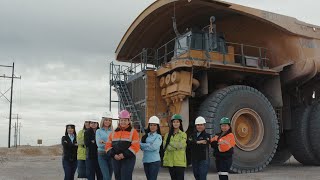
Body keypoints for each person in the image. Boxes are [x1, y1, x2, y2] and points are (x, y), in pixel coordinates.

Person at [105, 110, 140, 180]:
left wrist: (123, 155)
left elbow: (135, 146)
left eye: (125, 120)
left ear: (129, 121)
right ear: (119, 121)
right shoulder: (114, 132)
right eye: (121, 120)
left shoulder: (133, 132)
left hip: (128, 159)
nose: (123, 122)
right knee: (118, 177)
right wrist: (114, 155)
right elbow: (107, 146)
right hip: (115, 159)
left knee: (126, 177)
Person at [163, 114, 187, 180]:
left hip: (180, 162)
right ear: (172, 123)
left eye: (177, 122)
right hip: (170, 162)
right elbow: (165, 146)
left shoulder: (183, 134)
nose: (175, 123)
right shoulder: (167, 135)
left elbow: (181, 145)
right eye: (174, 122)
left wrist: (170, 143)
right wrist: (176, 146)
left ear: (180, 123)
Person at [140, 116, 163, 180]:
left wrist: (145, 146)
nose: (152, 127)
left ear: (157, 126)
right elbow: (140, 146)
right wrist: (149, 144)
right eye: (151, 125)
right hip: (146, 161)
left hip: (154, 161)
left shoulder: (158, 136)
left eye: (154, 125)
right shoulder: (145, 136)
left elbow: (154, 147)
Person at [96, 112, 114, 180]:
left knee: (109, 177)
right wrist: (110, 143)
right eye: (106, 120)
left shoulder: (113, 131)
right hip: (102, 155)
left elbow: (115, 144)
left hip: (111, 155)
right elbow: (99, 144)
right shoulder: (98, 131)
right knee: (106, 177)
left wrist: (104, 142)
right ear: (103, 120)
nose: (108, 122)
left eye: (109, 120)